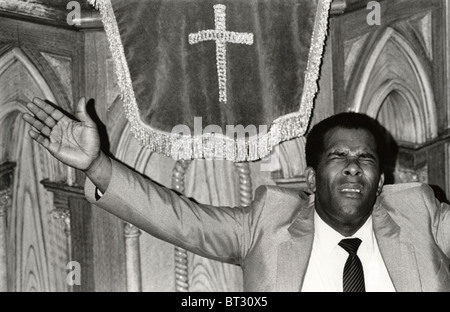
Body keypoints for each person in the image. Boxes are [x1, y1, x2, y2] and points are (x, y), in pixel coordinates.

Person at [22, 97, 450, 292]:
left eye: (367, 159)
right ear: (309, 178)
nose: (354, 165)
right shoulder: (266, 225)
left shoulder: (421, 215)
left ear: (381, 183)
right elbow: (180, 220)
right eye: (339, 155)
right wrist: (97, 166)